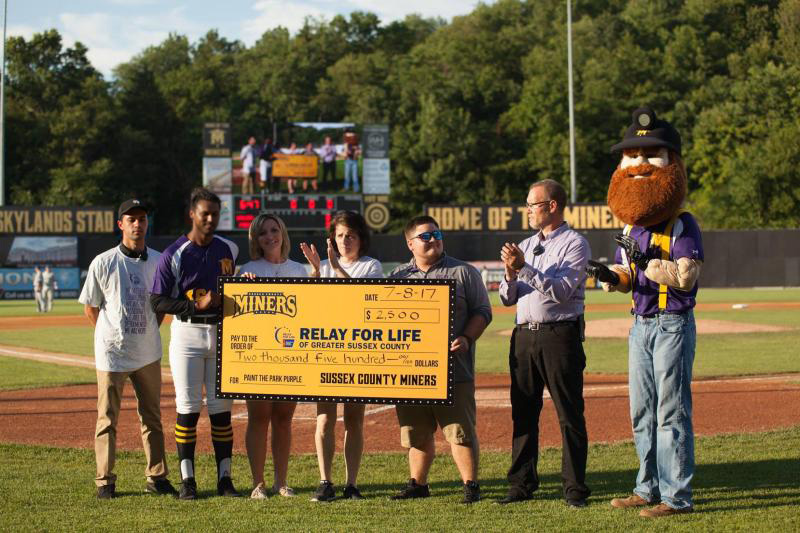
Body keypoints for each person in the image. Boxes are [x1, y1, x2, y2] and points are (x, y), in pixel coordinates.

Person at [589, 107, 702, 518]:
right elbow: (626, 274)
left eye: (650, 154)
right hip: (639, 324)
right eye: (631, 155)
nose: (639, 163)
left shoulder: (681, 223)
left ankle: (677, 497)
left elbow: (686, 276)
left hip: (672, 324)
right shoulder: (630, 227)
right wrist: (611, 276)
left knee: (671, 411)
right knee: (641, 411)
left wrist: (651, 265)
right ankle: (646, 487)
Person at [497, 179, 592, 508]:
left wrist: (523, 267)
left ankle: (575, 488)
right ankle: (521, 484)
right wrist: (510, 275)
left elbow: (562, 291)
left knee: (569, 413)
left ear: (552, 206)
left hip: (559, 335)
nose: (527, 211)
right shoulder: (525, 244)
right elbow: (507, 298)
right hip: (524, 336)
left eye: (532, 205)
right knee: (523, 412)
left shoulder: (575, 243)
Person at [387, 215, 492, 504]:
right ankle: (417, 484)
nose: (433, 239)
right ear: (410, 244)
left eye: (437, 234)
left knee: (459, 431)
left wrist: (467, 338)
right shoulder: (397, 277)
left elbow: (483, 311)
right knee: (416, 431)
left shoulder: (464, 272)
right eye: (425, 236)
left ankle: (470, 485)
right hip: (411, 371)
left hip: (454, 369)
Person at [79, 199, 177, 499]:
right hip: (112, 354)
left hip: (148, 353)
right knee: (107, 419)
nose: (137, 224)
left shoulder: (159, 261)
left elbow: (163, 305)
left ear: (147, 223)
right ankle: (104, 481)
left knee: (152, 418)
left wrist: (147, 331)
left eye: (142, 219)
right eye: (131, 219)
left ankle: (157, 477)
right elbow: (91, 307)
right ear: (120, 224)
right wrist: (109, 336)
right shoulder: (103, 261)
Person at [150, 187, 241, 500]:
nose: (210, 219)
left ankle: (225, 479)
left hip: (221, 333)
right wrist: (193, 306)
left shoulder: (229, 248)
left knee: (221, 409)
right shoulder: (174, 253)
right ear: (192, 214)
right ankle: (187, 480)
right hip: (187, 334)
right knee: (188, 408)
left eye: (215, 214)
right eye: (205, 213)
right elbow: (157, 301)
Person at [299, 211, 383, 502]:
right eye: (340, 235)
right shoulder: (321, 265)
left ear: (361, 238)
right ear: (332, 239)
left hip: (358, 351)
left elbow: (365, 300)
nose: (345, 240)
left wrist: (336, 268)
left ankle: (351, 484)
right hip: (326, 351)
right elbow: (307, 305)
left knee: (354, 420)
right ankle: (325, 481)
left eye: (351, 235)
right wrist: (315, 272)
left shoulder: (371, 265)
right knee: (324, 419)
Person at [237, 213, 307, 500]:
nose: (270, 236)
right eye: (263, 232)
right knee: (259, 417)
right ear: (256, 239)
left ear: (282, 233)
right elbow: (239, 315)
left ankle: (281, 482)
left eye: (274, 230)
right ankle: (258, 483)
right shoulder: (248, 269)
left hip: (289, 354)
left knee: (283, 419)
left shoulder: (298, 270)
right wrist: (245, 286)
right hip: (258, 356)